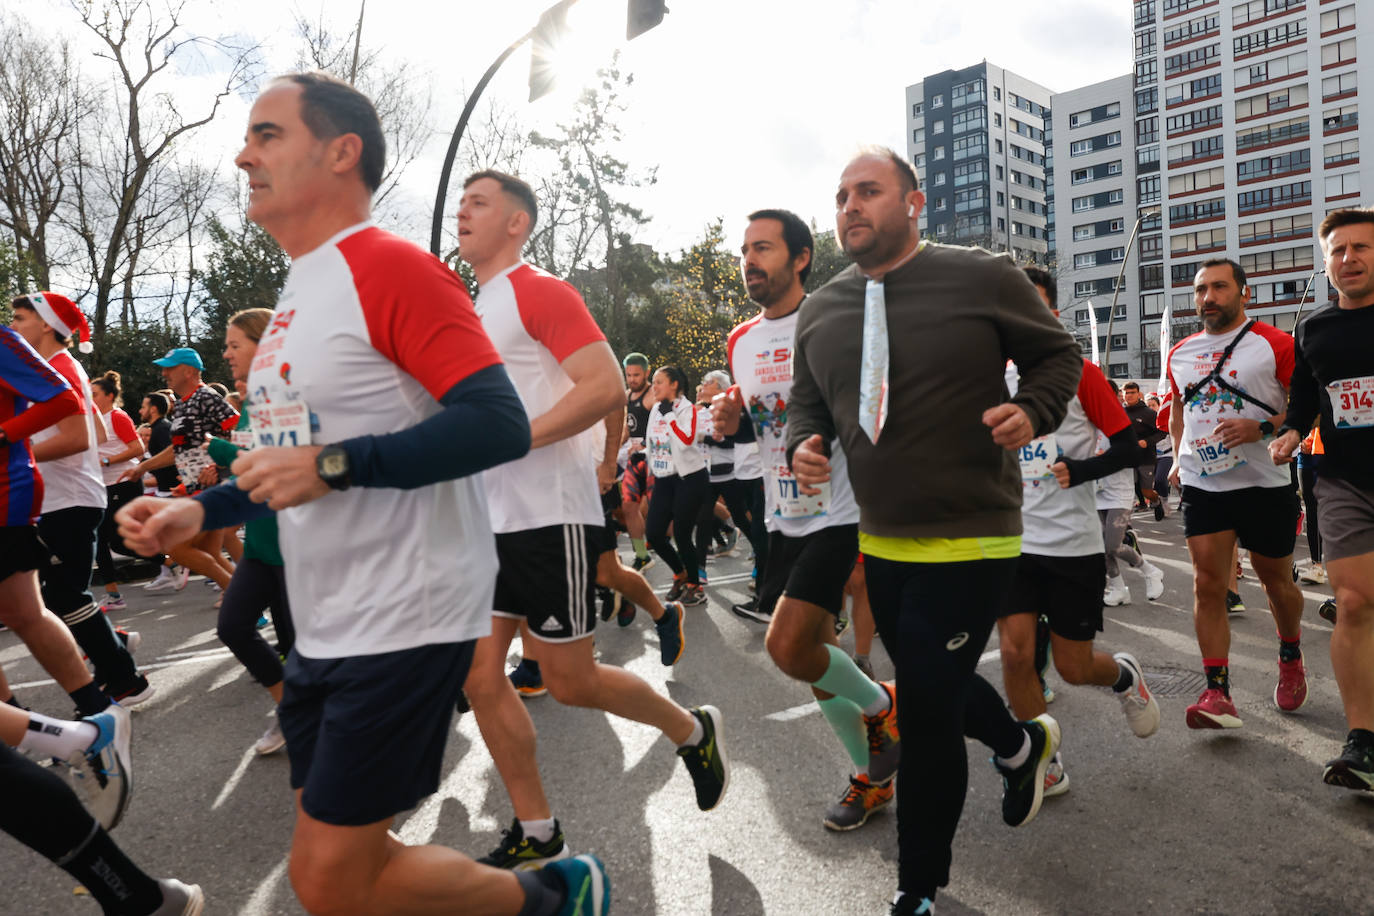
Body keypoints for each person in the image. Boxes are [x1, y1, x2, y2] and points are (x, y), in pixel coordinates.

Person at [118, 72, 607, 916]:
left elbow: (493, 423)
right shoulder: (299, 294)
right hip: (324, 618)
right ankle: (553, 893)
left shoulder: (393, 269)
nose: (243, 155)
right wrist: (203, 511)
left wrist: (335, 466)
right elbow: (285, 466)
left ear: (342, 152)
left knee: (324, 877)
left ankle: (550, 901)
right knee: (354, 862)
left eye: (268, 135)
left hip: (407, 613)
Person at [786, 148, 1083, 915]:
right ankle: (1021, 747)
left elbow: (1058, 356)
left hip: (973, 533)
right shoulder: (821, 310)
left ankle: (917, 886)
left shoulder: (983, 275)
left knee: (922, 706)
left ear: (913, 203)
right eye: (842, 194)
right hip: (880, 538)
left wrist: (1034, 411)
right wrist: (803, 444)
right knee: (930, 682)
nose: (851, 205)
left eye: (869, 191)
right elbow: (808, 403)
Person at [455, 169, 725, 874]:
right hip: (491, 521)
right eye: (461, 201)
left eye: (478, 203)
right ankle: (538, 829)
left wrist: (538, 443)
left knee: (569, 680)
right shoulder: (477, 307)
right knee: (482, 677)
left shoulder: (540, 290)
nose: (462, 212)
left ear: (517, 222)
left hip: (552, 516)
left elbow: (605, 385)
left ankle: (693, 730)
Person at [712, 208, 897, 834]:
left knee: (787, 646)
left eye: (762, 248)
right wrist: (732, 421)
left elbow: (874, 405)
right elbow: (759, 426)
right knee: (815, 661)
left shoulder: (834, 319)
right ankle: (873, 777)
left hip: (841, 509)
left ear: (799, 258)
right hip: (781, 516)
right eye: (744, 249)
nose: (749, 261)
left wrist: (826, 442)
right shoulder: (739, 341)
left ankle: (882, 705)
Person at [997, 266, 1161, 800]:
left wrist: (1080, 470)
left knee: (1072, 666)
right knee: (1017, 655)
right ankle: (1044, 760)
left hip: (1071, 544)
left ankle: (1123, 677)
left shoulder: (1080, 373)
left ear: (1052, 315)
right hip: (1011, 542)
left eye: (1032, 306)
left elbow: (1129, 445)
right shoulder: (988, 381)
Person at [1166, 258, 1305, 730]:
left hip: (1265, 482)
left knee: (1276, 584)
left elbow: (1306, 408)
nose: (1208, 297)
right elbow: (1178, 414)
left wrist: (1263, 427)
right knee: (1208, 585)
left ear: (1244, 293)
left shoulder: (1276, 344)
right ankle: (1217, 691)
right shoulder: (1180, 352)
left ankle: (1290, 651)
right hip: (1205, 485)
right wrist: (1176, 458)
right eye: (1201, 289)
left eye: (1220, 287)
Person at [1270, 207, 1374, 790]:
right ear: (1326, 261)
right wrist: (1290, 430)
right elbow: (1306, 396)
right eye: (1338, 250)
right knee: (1355, 602)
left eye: (1361, 247)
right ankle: (1364, 741)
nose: (1349, 258)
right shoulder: (1312, 329)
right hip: (1341, 479)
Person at [10, 293, 151, 707]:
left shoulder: (63, 368)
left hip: (69, 499)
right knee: (47, 598)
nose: (13, 326)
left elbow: (78, 438)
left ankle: (127, 681)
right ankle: (113, 642)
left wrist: (15, 452)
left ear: (47, 325)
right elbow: (96, 435)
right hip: (57, 499)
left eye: (20, 318)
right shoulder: (51, 369)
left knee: (63, 597)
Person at [0, 321, 124, 720]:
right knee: (27, 612)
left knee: (33, 611)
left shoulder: (3, 341)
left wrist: (4, 435)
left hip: (10, 494)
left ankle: (98, 711)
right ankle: (24, 727)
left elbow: (65, 401)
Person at [205, 307, 297, 755]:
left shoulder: (286, 394)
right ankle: (291, 709)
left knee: (303, 648)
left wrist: (220, 450)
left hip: (298, 546)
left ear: (265, 345)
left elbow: (268, 462)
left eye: (234, 345)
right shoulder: (254, 398)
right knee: (233, 625)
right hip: (262, 543)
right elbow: (249, 454)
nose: (226, 354)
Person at [120, 349, 237, 591]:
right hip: (197, 489)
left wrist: (220, 465)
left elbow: (239, 432)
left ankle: (243, 599)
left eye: (170, 368)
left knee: (175, 546)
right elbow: (178, 448)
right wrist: (143, 467)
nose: (164, 373)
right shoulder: (182, 404)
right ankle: (247, 599)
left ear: (190, 371)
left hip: (213, 489)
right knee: (210, 552)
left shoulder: (207, 397)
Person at [643, 365, 714, 606]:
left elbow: (685, 440)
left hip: (690, 478)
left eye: (659, 382)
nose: (654, 386)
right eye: (653, 382)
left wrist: (669, 415)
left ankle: (695, 585)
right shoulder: (656, 409)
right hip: (664, 478)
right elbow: (653, 440)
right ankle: (679, 573)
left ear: (674, 384)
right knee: (653, 532)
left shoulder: (687, 409)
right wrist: (643, 456)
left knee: (682, 535)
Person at [90, 371, 148, 612]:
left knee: (120, 542)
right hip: (104, 486)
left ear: (109, 395)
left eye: (94, 394)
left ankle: (173, 560)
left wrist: (106, 462)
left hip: (125, 483)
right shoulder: (93, 419)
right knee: (102, 541)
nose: (90, 397)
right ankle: (113, 595)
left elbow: (138, 448)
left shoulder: (117, 416)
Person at [619, 352, 655, 571]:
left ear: (647, 372)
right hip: (636, 460)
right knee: (629, 507)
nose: (632, 379)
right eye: (629, 375)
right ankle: (642, 555)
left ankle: (687, 564)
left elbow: (665, 424)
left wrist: (647, 445)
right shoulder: (627, 396)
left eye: (636, 375)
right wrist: (612, 447)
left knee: (663, 513)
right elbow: (626, 427)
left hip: (656, 459)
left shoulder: (653, 395)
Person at [1122, 381, 1165, 515]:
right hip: (1127, 458)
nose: (1129, 395)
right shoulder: (1119, 412)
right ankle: (1134, 511)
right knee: (1129, 488)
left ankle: (1156, 500)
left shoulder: (1149, 413)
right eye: (1126, 393)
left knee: (1146, 491)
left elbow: (1162, 432)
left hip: (1146, 457)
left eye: (1132, 392)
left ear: (1139, 394)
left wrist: (1147, 441)